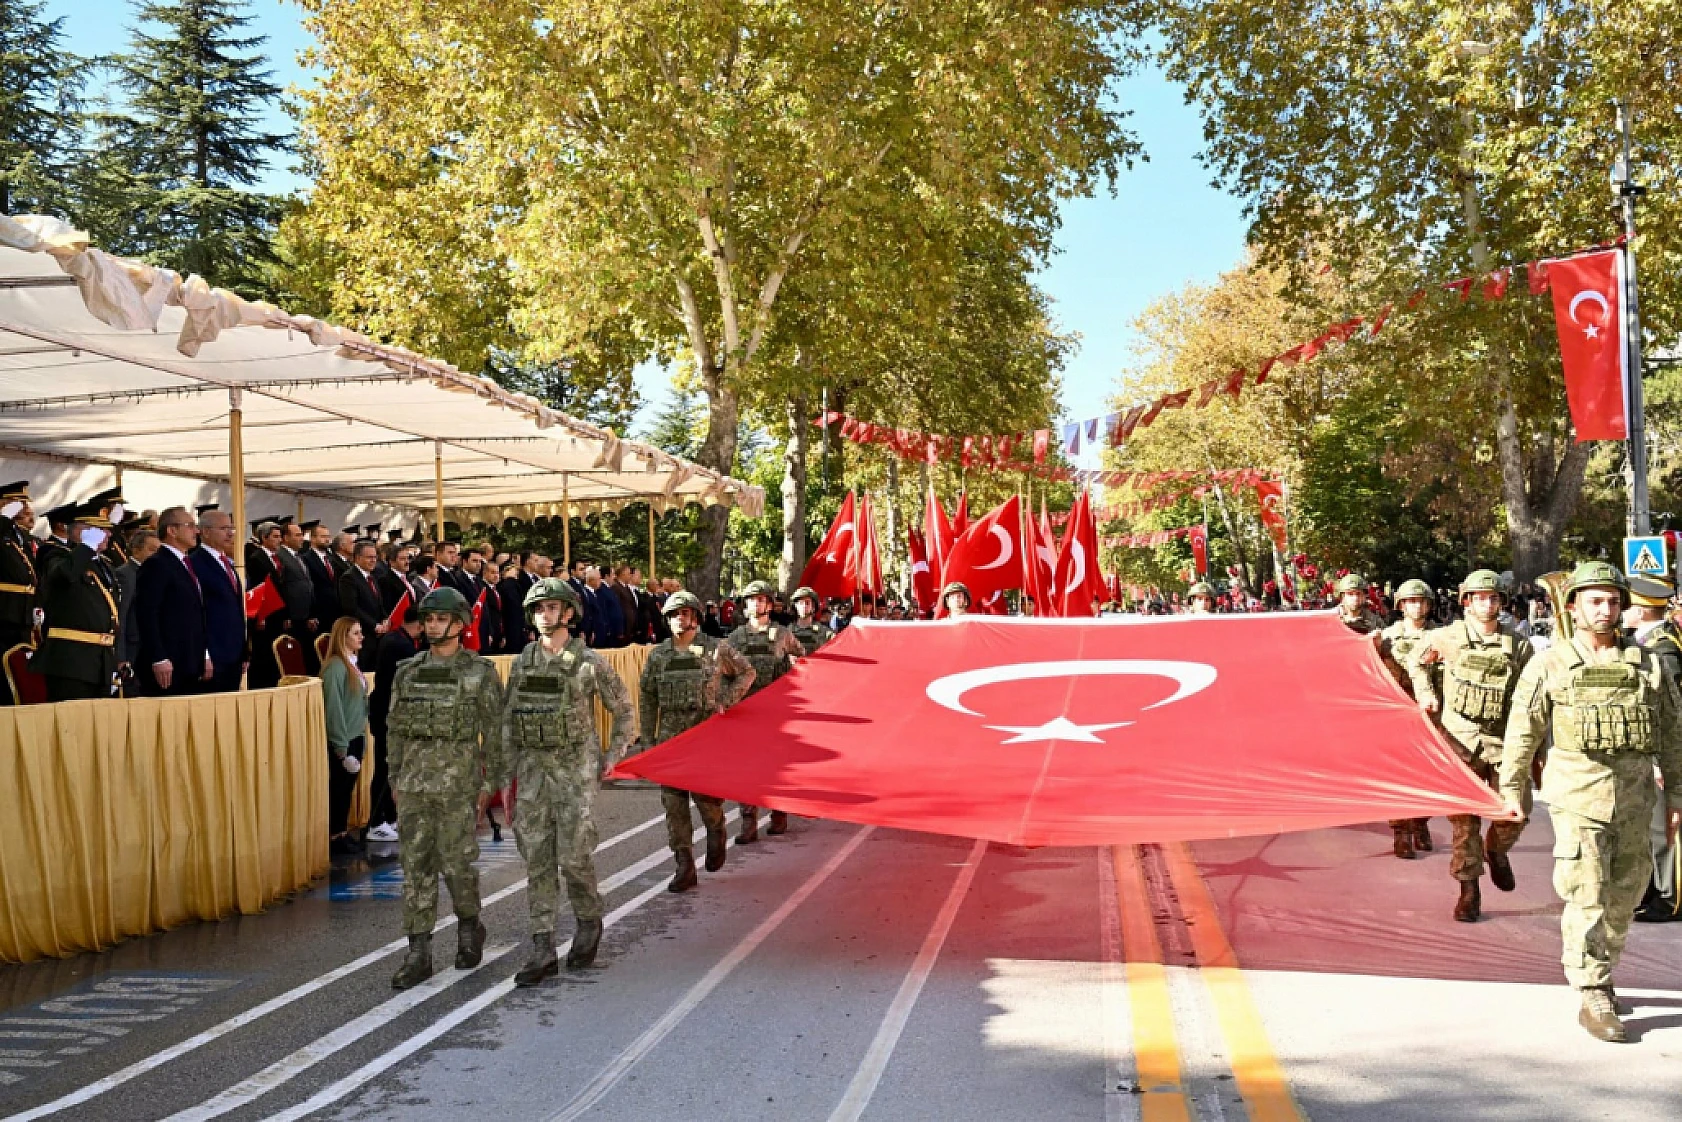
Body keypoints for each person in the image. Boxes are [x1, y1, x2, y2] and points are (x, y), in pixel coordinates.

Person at [1499, 562, 1682, 1042]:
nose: (1605, 609)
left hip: (1636, 800)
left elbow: (1671, 733)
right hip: (1578, 798)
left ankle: (1604, 968)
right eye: (1595, 600)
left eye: (1614, 600)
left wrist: (1677, 792)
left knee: (1625, 897)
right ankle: (1592, 990)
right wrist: (1513, 788)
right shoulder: (1550, 664)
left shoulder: (1649, 663)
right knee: (1588, 895)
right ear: (1574, 607)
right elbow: (1523, 732)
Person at [502, 578, 636, 983]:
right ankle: (542, 946)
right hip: (532, 773)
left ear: (568, 613)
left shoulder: (588, 662)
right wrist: (505, 776)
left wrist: (612, 757)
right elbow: (509, 721)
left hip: (574, 771)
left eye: (552, 608)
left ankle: (589, 918)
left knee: (574, 855)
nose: (545, 615)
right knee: (537, 859)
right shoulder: (523, 661)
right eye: (539, 609)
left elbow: (625, 711)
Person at [384, 587, 506, 989]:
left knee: (456, 865)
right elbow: (395, 729)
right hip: (415, 784)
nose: (432, 625)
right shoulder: (408, 671)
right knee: (415, 868)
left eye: (440, 619)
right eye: (429, 619)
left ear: (459, 624)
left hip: (458, 784)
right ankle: (418, 951)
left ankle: (470, 925)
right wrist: (395, 776)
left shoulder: (479, 673)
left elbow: (496, 732)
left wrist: (489, 783)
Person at [1409, 569, 1534, 922]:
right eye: (1480, 597)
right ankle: (1469, 891)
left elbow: (1532, 699)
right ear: (1467, 601)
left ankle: (1496, 850)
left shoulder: (1519, 645)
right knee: (1464, 823)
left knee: (1516, 811)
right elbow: (1415, 661)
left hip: (1504, 742)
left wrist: (1535, 751)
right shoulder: (1447, 637)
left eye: (1494, 598)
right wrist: (1426, 694)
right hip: (1460, 741)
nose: (1488, 604)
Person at [640, 590, 754, 892]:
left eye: (686, 613)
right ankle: (684, 863)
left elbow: (747, 672)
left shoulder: (715, 648)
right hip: (671, 736)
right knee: (673, 803)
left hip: (704, 733)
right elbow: (648, 696)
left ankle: (716, 830)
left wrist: (725, 702)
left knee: (706, 799)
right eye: (675, 614)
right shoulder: (659, 655)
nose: (681, 619)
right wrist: (648, 738)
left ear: (696, 617)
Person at [724, 580, 805, 842]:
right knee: (746, 768)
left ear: (769, 605)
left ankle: (779, 812)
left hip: (776, 714)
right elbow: (724, 672)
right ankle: (749, 820)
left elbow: (802, 660)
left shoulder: (782, 634)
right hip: (746, 711)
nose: (756, 604)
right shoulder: (735, 638)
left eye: (761, 599)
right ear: (745, 605)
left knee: (775, 765)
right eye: (751, 600)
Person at [1625, 575, 1682, 925]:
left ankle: (1671, 898)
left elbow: (1670, 710)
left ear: (1642, 610)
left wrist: (1661, 759)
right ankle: (1652, 890)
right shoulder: (1652, 641)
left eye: (1625, 604)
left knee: (1665, 828)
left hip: (1662, 750)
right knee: (1651, 826)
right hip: (1650, 749)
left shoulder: (1662, 649)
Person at [35, 497, 122, 701]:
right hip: (71, 662)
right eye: (99, 529)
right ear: (80, 531)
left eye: (107, 528)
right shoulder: (56, 555)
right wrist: (86, 547)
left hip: (101, 660)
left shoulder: (104, 564)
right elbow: (64, 574)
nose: (108, 534)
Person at [1378, 578, 1438, 859]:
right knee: (1399, 774)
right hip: (1397, 717)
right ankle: (1400, 830)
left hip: (1431, 715)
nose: (1417, 606)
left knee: (1431, 774)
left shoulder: (1442, 636)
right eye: (1411, 601)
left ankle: (1421, 822)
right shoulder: (1387, 638)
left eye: (1421, 601)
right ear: (1401, 605)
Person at [135, 507, 213, 697]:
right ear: (172, 530)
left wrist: (204, 654)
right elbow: (147, 614)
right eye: (190, 526)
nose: (196, 531)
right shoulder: (157, 564)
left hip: (190, 660)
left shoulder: (186, 564)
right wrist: (158, 657)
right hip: (169, 664)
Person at [367, 605, 422, 843]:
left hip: (389, 712)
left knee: (393, 768)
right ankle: (376, 821)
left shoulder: (396, 638)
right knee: (385, 768)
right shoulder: (401, 645)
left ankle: (389, 817)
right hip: (388, 714)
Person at [321, 617, 369, 855]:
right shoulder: (335, 668)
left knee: (347, 789)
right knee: (339, 789)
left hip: (356, 735)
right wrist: (341, 748)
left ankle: (341, 831)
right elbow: (334, 709)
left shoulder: (351, 664)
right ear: (343, 637)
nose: (361, 637)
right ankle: (335, 835)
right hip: (345, 739)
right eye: (356, 633)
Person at [189, 510, 249, 694]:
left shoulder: (227, 563)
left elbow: (237, 610)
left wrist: (244, 651)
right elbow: (196, 613)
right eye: (224, 528)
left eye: (232, 528)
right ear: (205, 532)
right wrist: (204, 654)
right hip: (214, 656)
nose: (230, 533)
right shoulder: (195, 563)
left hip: (234, 654)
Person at [0, 481, 37, 705]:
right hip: (4, 613)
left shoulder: (16, 536)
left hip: (23, 613)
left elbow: (32, 575)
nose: (23, 507)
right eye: (17, 502)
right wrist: (2, 518)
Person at [114, 527, 159, 688]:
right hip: (134, 648)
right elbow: (121, 616)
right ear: (136, 550)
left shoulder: (154, 572)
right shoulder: (125, 574)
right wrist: (121, 656)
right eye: (152, 550)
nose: (156, 555)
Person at [338, 539, 389, 665]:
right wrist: (374, 625)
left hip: (377, 636)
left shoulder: (371, 577)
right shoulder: (349, 578)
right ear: (358, 558)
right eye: (369, 557)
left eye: (375, 557)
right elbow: (351, 608)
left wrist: (385, 619)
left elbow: (379, 604)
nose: (373, 561)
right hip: (362, 635)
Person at [584, 565, 625, 648]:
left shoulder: (596, 592)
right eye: (599, 579)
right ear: (591, 581)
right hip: (599, 633)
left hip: (605, 631)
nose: (601, 581)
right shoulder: (590, 593)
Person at [789, 587, 831, 655]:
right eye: (801, 603)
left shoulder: (825, 633)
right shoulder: (787, 632)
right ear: (795, 606)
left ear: (813, 607)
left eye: (807, 603)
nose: (804, 606)